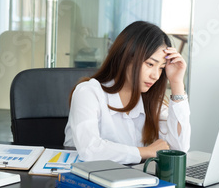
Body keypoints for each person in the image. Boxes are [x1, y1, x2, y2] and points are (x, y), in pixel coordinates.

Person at [64, 21, 190, 164]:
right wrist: (146, 152)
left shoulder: (150, 100)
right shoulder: (88, 93)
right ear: (126, 57)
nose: (155, 75)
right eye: (150, 64)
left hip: (130, 180)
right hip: (84, 181)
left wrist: (176, 83)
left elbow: (179, 148)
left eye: (161, 68)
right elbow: (90, 150)